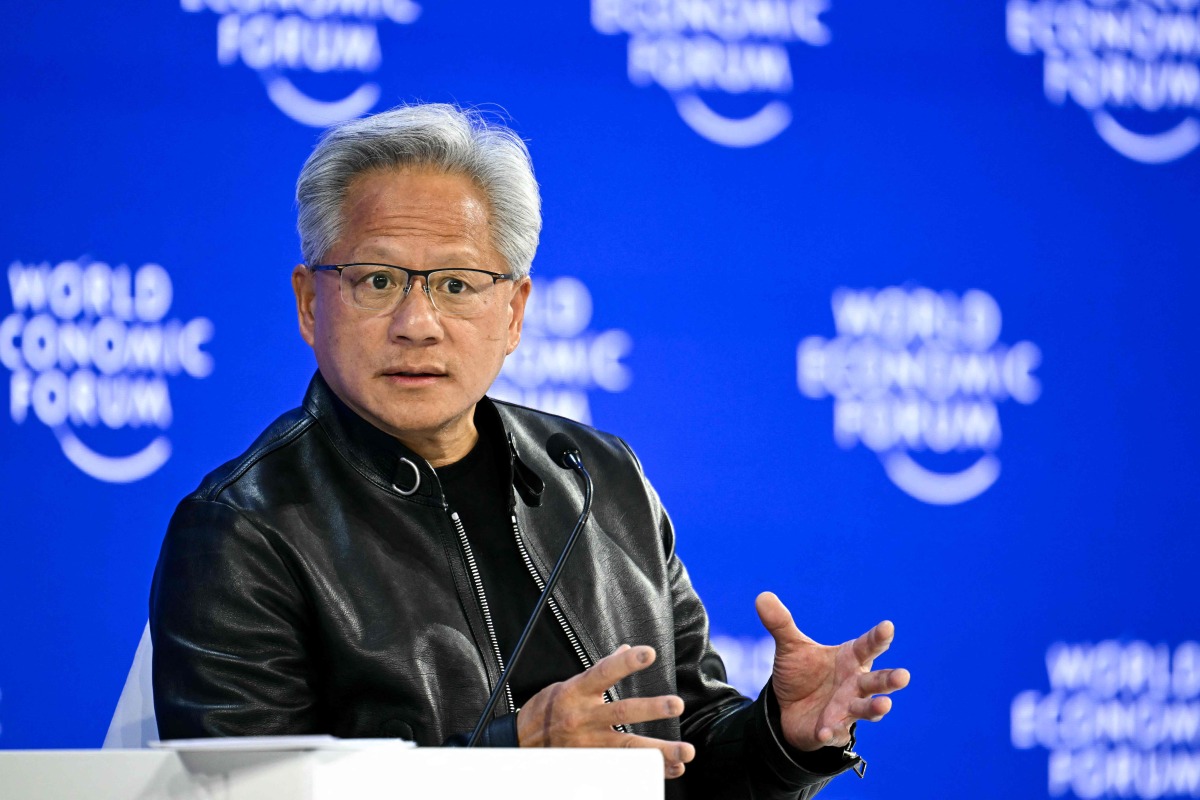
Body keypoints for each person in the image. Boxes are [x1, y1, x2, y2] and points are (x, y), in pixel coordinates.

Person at [150, 103, 909, 800]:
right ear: (311, 304)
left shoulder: (599, 477)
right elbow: (250, 795)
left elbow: (687, 756)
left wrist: (785, 735)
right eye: (377, 279)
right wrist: (511, 758)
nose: (418, 322)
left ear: (513, 312)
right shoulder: (242, 531)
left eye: (456, 283)